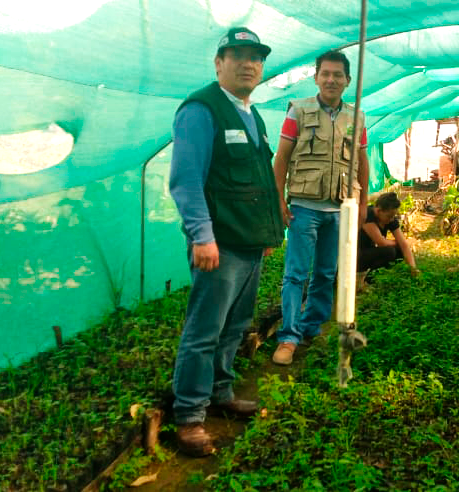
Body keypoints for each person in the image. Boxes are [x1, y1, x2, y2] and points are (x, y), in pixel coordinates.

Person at [168, 27, 283, 456]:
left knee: (235, 326)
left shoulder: (254, 116)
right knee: (204, 331)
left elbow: (259, 182)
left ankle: (222, 393)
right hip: (219, 246)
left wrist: (267, 233)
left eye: (256, 57)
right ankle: (190, 416)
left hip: (249, 243)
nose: (249, 64)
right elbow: (185, 180)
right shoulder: (201, 110)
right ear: (219, 63)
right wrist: (201, 236)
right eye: (238, 56)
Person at [272, 50, 369, 366]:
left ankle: (310, 326)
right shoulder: (298, 111)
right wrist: (278, 201)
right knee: (296, 274)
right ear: (316, 78)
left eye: (337, 75)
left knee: (326, 273)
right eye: (325, 73)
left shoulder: (356, 118)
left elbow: (362, 162)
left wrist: (363, 203)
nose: (331, 79)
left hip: (339, 209)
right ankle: (288, 337)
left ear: (347, 80)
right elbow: (282, 158)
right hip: (304, 206)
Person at [357, 192, 419, 275]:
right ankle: (370, 280)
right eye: (389, 216)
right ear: (378, 210)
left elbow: (404, 245)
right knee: (389, 251)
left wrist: (413, 268)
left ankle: (380, 277)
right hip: (356, 256)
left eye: (393, 216)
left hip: (369, 252)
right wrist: (399, 242)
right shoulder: (368, 215)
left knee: (400, 250)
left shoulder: (390, 219)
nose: (392, 219)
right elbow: (381, 242)